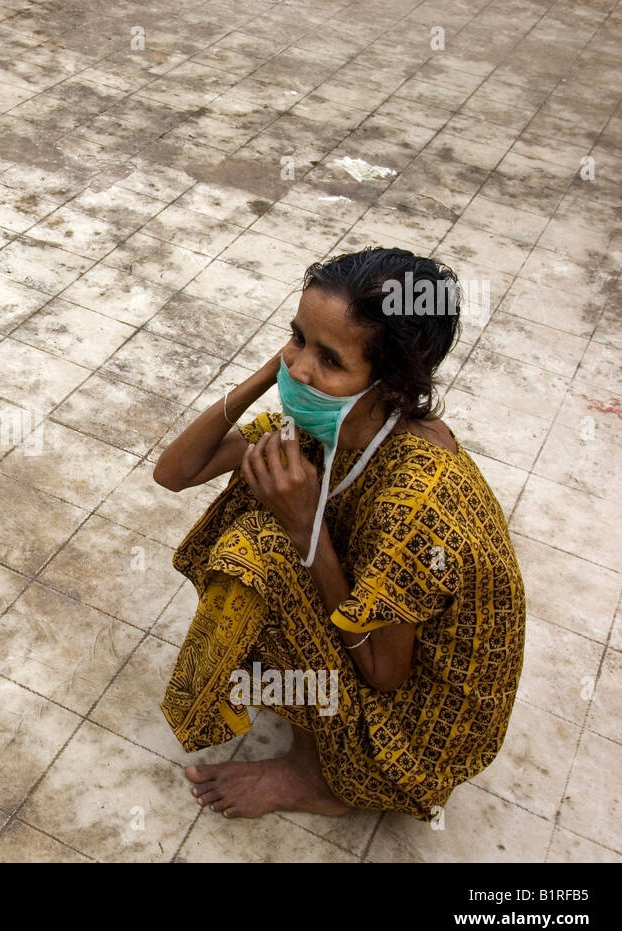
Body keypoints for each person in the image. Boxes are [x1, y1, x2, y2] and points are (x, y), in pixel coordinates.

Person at [153, 247, 525, 821]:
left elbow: (384, 670)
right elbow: (176, 472)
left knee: (263, 550)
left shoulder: (418, 502)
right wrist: (271, 373)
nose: (301, 370)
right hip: (375, 659)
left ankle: (317, 780)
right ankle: (306, 702)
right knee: (268, 491)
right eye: (297, 337)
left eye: (330, 359)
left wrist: (307, 529)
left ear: (392, 386)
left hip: (411, 739)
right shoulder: (326, 421)